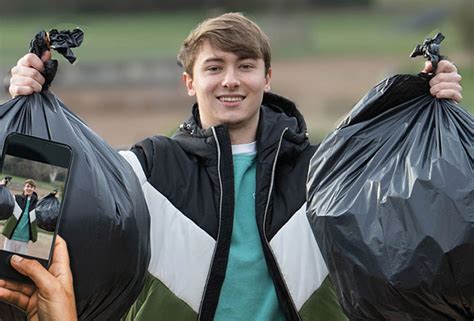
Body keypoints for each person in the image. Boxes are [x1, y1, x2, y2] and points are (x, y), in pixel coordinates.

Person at [1, 12, 463, 321]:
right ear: (189, 82)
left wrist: (423, 101)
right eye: (213, 67)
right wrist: (30, 106)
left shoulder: (325, 172)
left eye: (245, 65)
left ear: (267, 77)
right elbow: (40, 200)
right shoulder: (146, 168)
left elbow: (413, 189)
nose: (230, 80)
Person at [2, 179, 39, 255]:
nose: (29, 188)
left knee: (19, 262)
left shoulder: (37, 204)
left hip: (24, 239)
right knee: (5, 258)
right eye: (27, 186)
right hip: (11, 236)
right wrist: (2, 185)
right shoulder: (15, 198)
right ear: (24, 188)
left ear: (34, 189)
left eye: (31, 187)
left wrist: (52, 196)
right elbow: (3, 198)